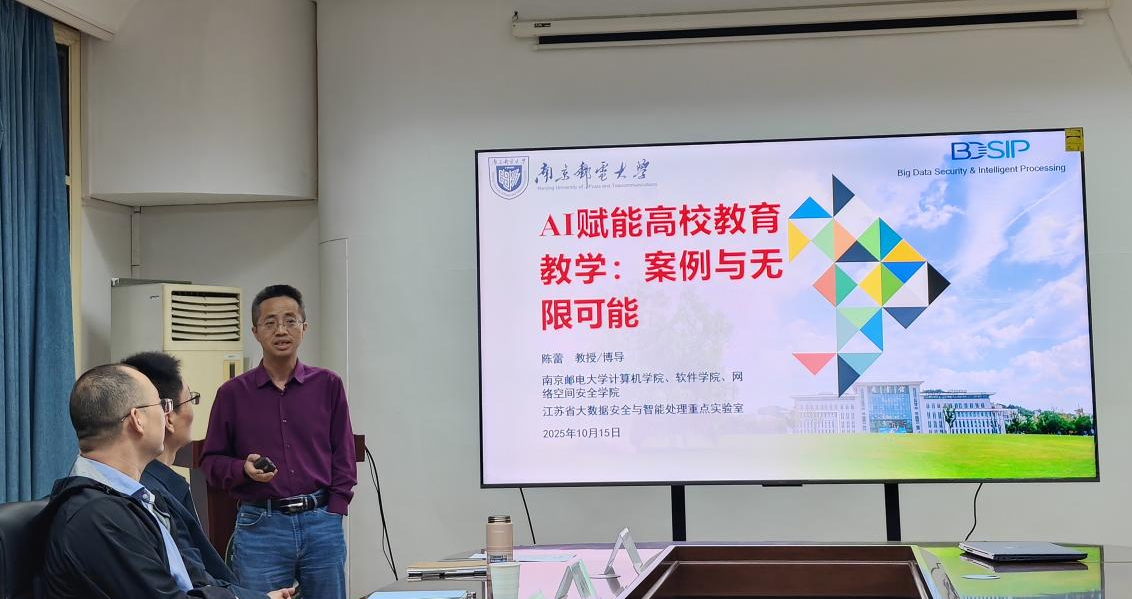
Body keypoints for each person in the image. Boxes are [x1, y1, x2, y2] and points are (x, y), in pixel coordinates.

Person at [37, 363, 294, 599]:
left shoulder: (136, 498)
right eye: (161, 405)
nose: (166, 415)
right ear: (137, 419)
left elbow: (194, 579)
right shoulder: (98, 516)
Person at [201, 284, 357, 598]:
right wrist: (242, 470)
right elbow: (210, 461)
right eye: (270, 323)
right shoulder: (232, 394)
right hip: (261, 525)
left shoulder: (328, 384)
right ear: (256, 332)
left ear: (304, 328)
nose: (281, 330)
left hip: (321, 521)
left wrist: (336, 509)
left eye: (290, 321)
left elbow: (344, 452)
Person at [120, 351, 245, 589]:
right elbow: (193, 580)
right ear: (167, 416)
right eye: (191, 399)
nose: (193, 411)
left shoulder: (155, 482)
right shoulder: (151, 495)